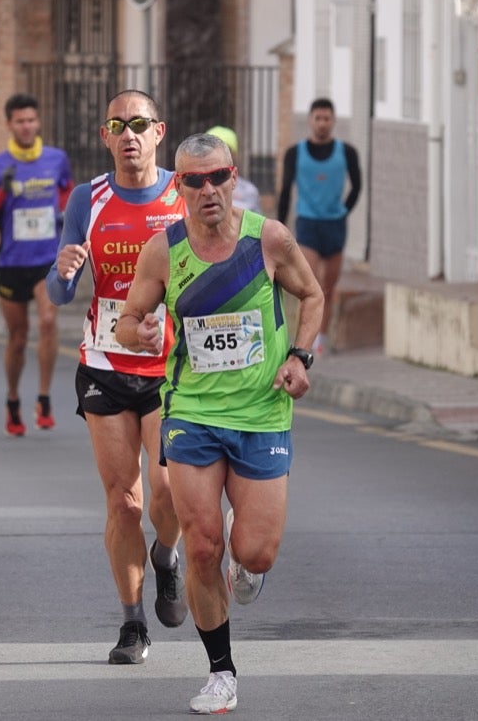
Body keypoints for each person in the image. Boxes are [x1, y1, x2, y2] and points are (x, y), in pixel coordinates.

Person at [115, 132, 324, 714]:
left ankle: (246, 557)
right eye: (193, 180)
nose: (208, 190)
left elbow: (312, 296)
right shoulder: (163, 251)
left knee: (255, 553)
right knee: (203, 546)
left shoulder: (269, 240)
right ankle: (221, 672)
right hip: (192, 413)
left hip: (261, 412)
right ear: (177, 186)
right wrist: (142, 332)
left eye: (217, 177)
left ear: (234, 178)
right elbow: (128, 320)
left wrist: (299, 357)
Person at [47, 89, 189, 665]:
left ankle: (168, 557)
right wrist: (63, 270)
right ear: (104, 137)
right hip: (104, 363)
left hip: (168, 368)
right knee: (122, 502)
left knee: (169, 492)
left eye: (139, 124)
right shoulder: (88, 197)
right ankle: (133, 624)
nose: (128, 134)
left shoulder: (185, 192)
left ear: (159, 131)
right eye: (117, 125)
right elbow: (60, 291)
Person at [0, 94, 73, 437]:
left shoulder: (56, 159)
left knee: (47, 322)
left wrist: (63, 211)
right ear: (9, 125)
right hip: (12, 262)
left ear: (38, 122)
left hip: (47, 259)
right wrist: (2, 192)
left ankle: (43, 398)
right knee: (18, 338)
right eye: (20, 121)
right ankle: (13, 399)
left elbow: (67, 193)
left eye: (32, 120)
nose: (27, 126)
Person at [276, 97, 362, 356]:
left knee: (328, 286)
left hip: (335, 224)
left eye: (327, 118)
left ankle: (323, 337)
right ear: (310, 121)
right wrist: (280, 226)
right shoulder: (295, 153)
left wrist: (344, 210)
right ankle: (306, 339)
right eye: (318, 118)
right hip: (308, 223)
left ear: (333, 121)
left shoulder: (346, 152)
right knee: (310, 284)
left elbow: (357, 186)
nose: (322, 123)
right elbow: (285, 190)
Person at [205, 125, 260, 213]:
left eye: (225, 150)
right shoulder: (193, 188)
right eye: (212, 150)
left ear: (234, 155)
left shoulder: (249, 191)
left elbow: (257, 223)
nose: (218, 156)